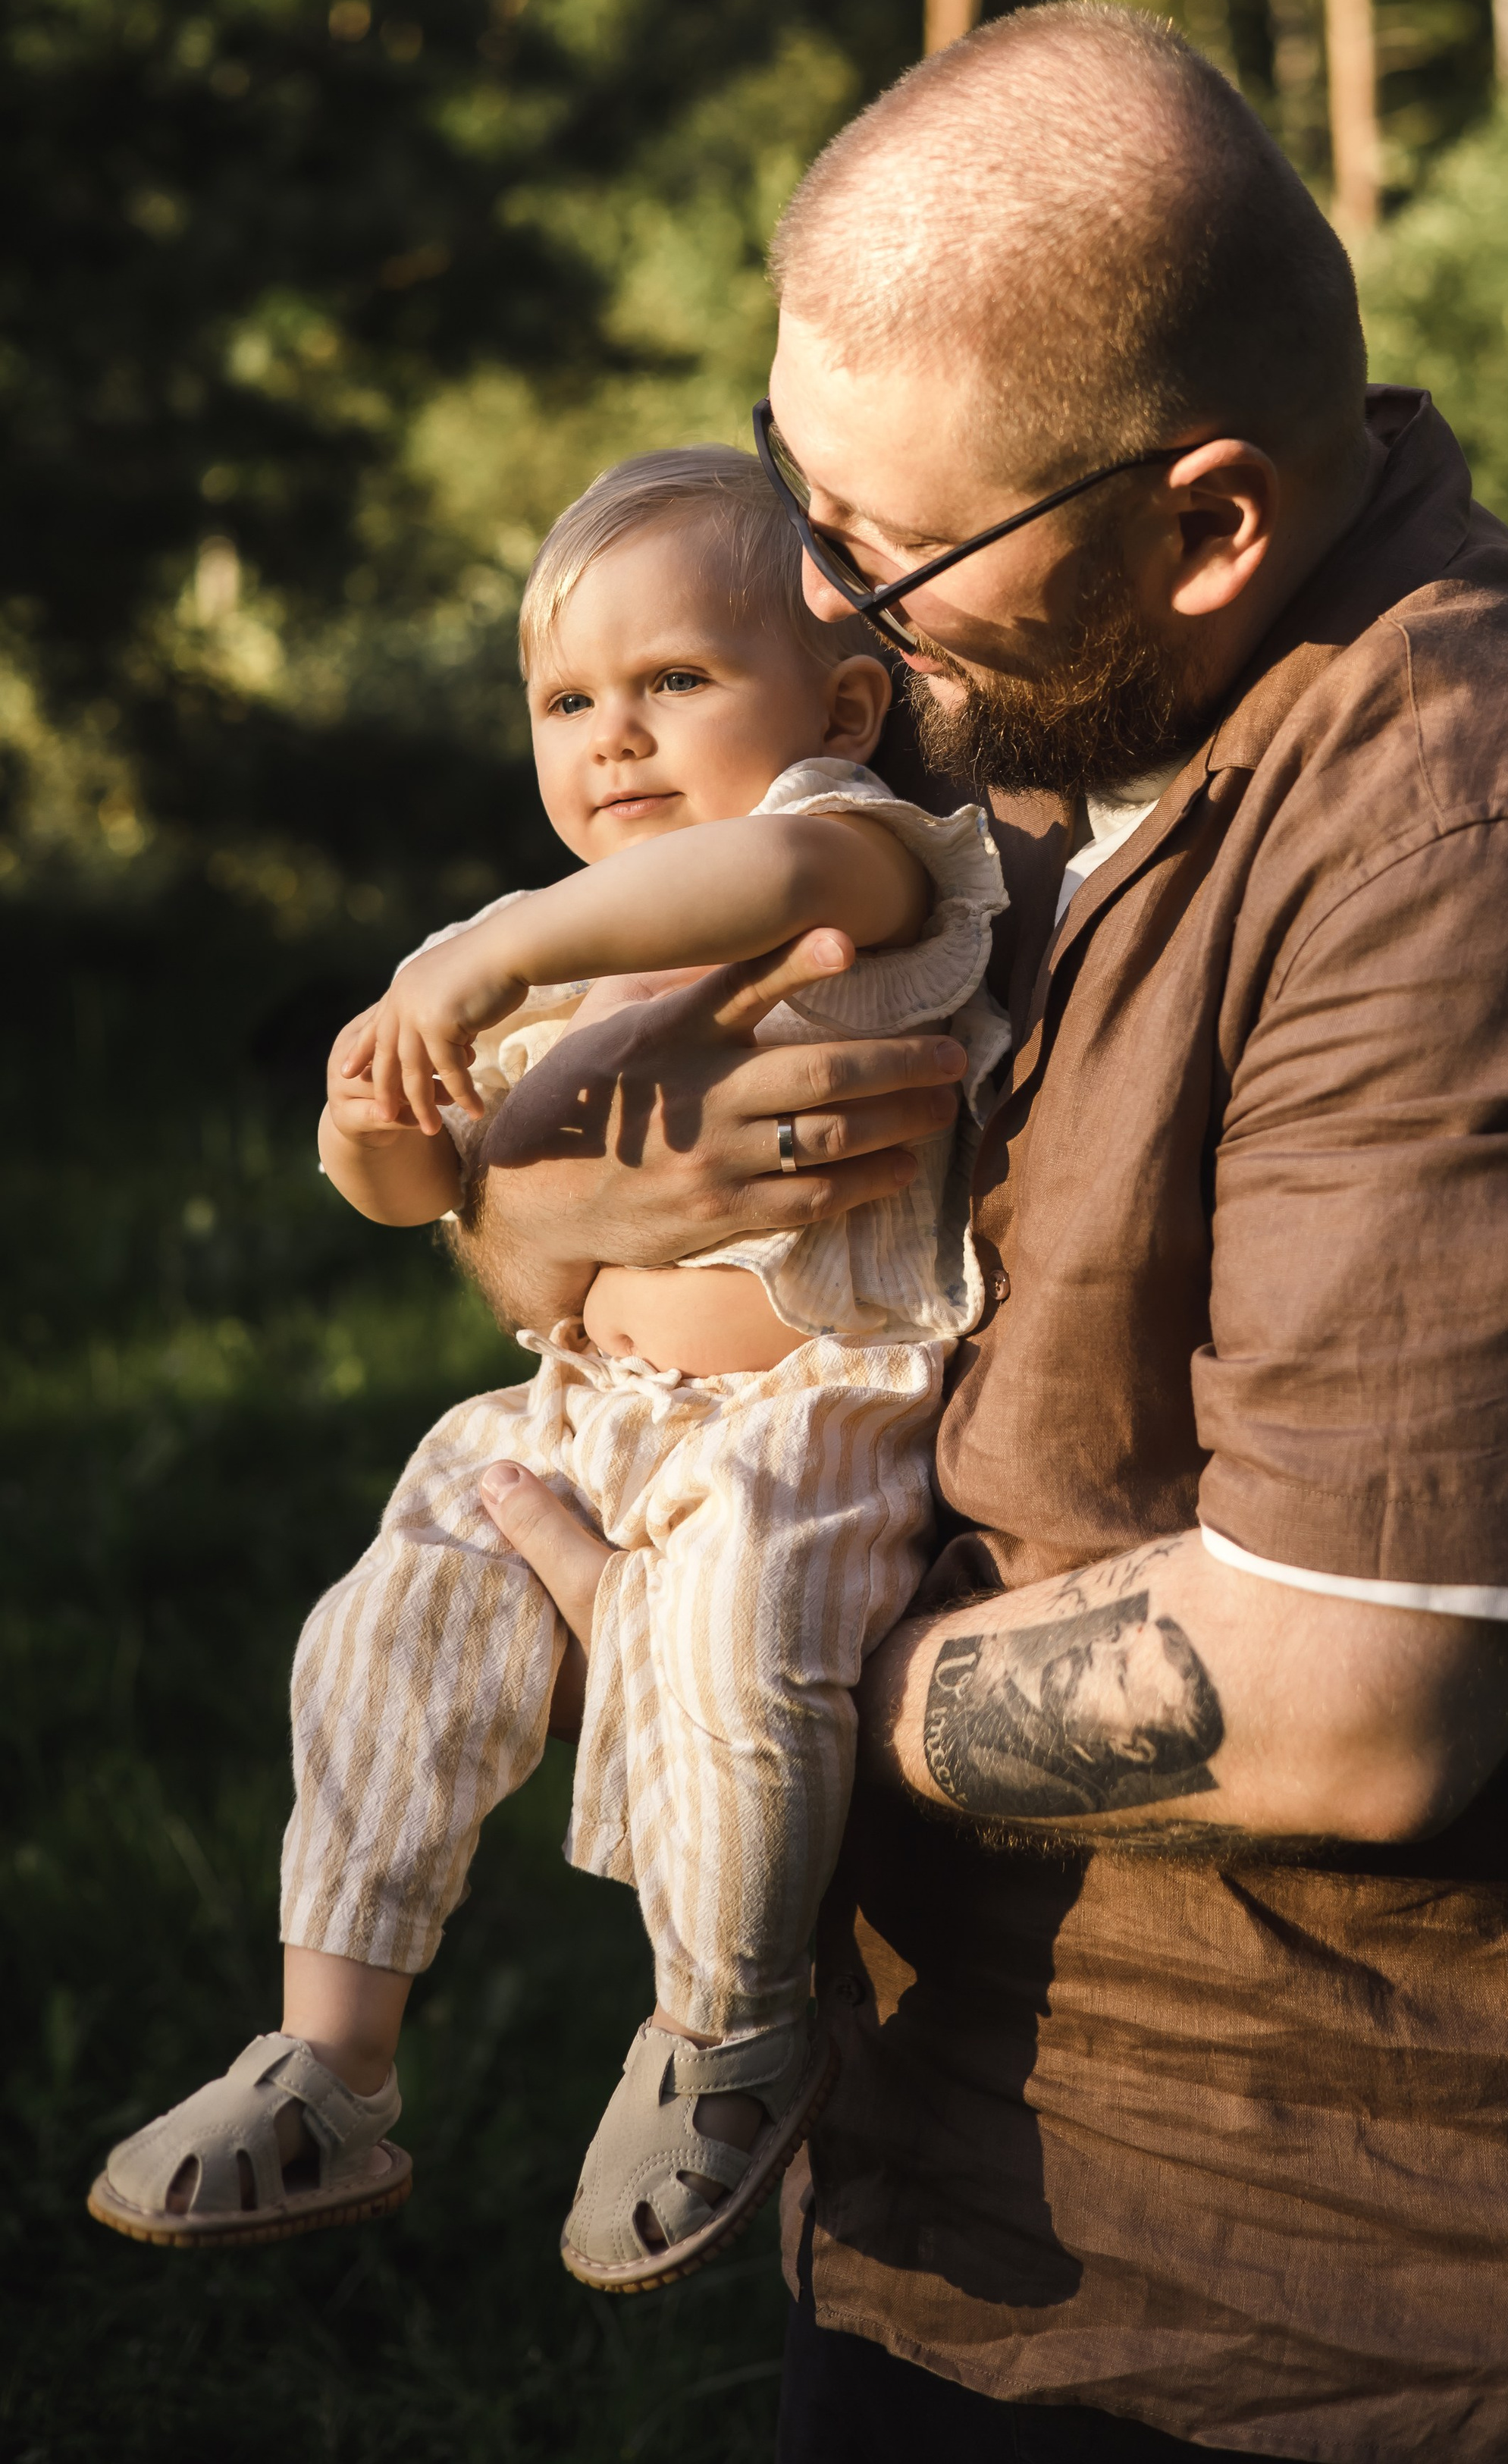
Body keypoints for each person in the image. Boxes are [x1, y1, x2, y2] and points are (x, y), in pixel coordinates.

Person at [436, 4, 1508, 2460]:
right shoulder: (1006, 738)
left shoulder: (1479, 853)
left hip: (1335, 2295)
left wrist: (706, 1666)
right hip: (918, 2174)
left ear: (1207, 523)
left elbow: (1349, 1695)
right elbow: (591, 1240)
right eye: (800, 493)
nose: (827, 619)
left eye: (892, 550)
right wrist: (523, 1205)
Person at [86, 447, 1009, 2290]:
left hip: (808, 1412)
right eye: (568, 700)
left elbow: (752, 869)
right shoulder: (522, 951)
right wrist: (379, 1126)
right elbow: (409, 1184)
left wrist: (502, 948)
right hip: (575, 1410)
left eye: (675, 680)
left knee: (729, 1633)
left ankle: (725, 2028)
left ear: (833, 704)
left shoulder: (863, 851)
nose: (615, 737)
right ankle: (332, 2053)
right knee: (384, 1621)